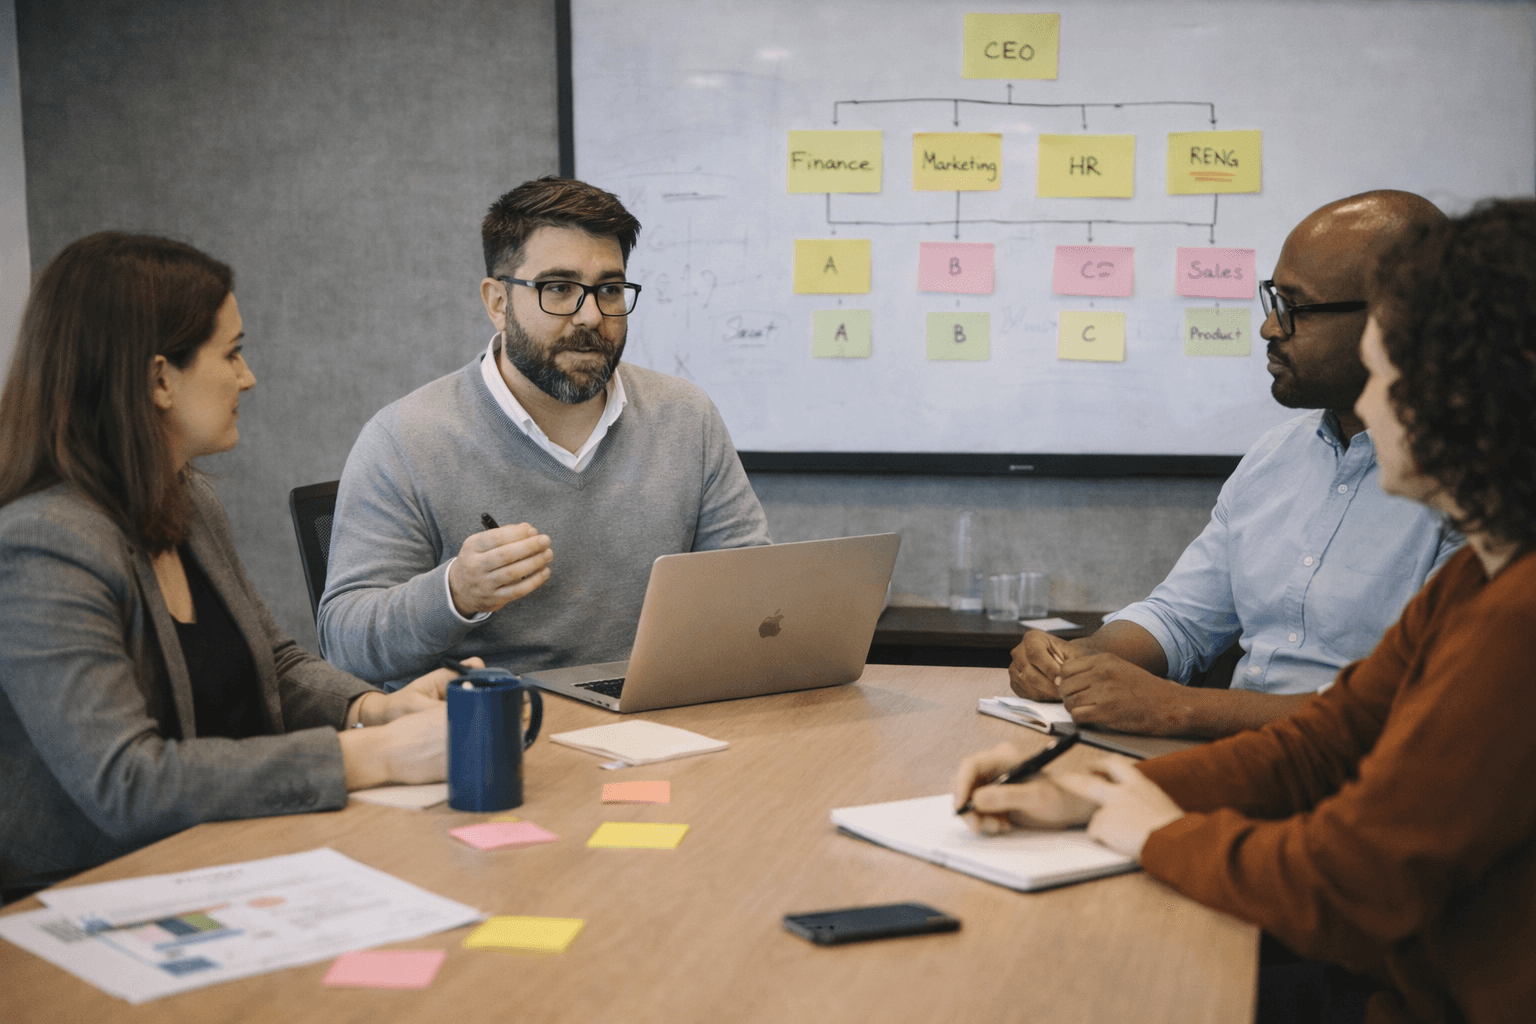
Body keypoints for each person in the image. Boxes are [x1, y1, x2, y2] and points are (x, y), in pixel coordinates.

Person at [954, 199, 1536, 1024]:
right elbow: (1325, 743)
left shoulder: (1519, 618)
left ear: (1472, 389)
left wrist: (1154, 831)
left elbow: (1352, 883)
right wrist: (1094, 790)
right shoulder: (1476, 580)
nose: (1370, 412)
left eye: (1391, 377)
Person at [0, 233, 466, 897]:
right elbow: (128, 784)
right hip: (90, 896)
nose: (247, 376)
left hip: (232, 855)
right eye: (233, 352)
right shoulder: (43, 545)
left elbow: (274, 664)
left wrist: (374, 710)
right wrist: (373, 755)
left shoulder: (187, 498)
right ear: (160, 377)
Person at [1011, 190, 1461, 738]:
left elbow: (1421, 709)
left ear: (1397, 321)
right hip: (1243, 761)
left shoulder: (1482, 489)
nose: (1270, 328)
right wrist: (1076, 662)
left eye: (1295, 307)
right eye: (1273, 301)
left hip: (1357, 778)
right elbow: (1180, 619)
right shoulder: (1277, 456)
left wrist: (1178, 708)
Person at [318, 176, 770, 687]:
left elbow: (749, 590)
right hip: (503, 731)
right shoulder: (405, 438)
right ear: (497, 302)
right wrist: (456, 593)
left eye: (610, 290)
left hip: (655, 713)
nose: (591, 316)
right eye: (559, 289)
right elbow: (345, 643)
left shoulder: (685, 415)